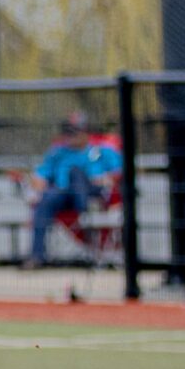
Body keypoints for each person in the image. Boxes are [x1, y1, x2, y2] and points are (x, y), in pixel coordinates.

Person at [24, 112, 124, 268]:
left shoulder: (101, 151)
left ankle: (85, 217)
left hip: (93, 194)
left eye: (74, 131)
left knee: (76, 174)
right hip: (63, 194)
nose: (69, 136)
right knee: (46, 199)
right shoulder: (58, 153)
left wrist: (106, 179)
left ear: (85, 131)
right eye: (67, 131)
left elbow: (119, 173)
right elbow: (40, 176)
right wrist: (37, 184)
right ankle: (37, 256)